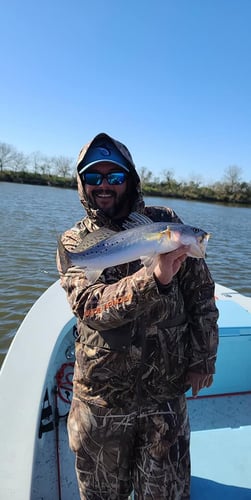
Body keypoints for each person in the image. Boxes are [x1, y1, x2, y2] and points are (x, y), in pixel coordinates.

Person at [57, 132, 219, 500]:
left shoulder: (164, 220)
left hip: (165, 397)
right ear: (82, 183)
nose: (104, 185)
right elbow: (90, 307)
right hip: (101, 403)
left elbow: (201, 296)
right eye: (94, 177)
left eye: (114, 177)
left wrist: (203, 359)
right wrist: (154, 277)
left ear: (129, 179)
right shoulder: (75, 242)